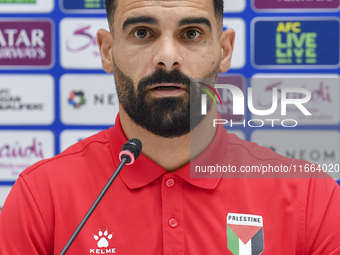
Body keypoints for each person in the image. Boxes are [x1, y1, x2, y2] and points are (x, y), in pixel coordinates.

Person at [1, 0, 340, 254]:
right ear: (107, 50)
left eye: (191, 34)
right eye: (142, 33)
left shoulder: (312, 198)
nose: (167, 56)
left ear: (224, 51)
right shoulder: (41, 196)